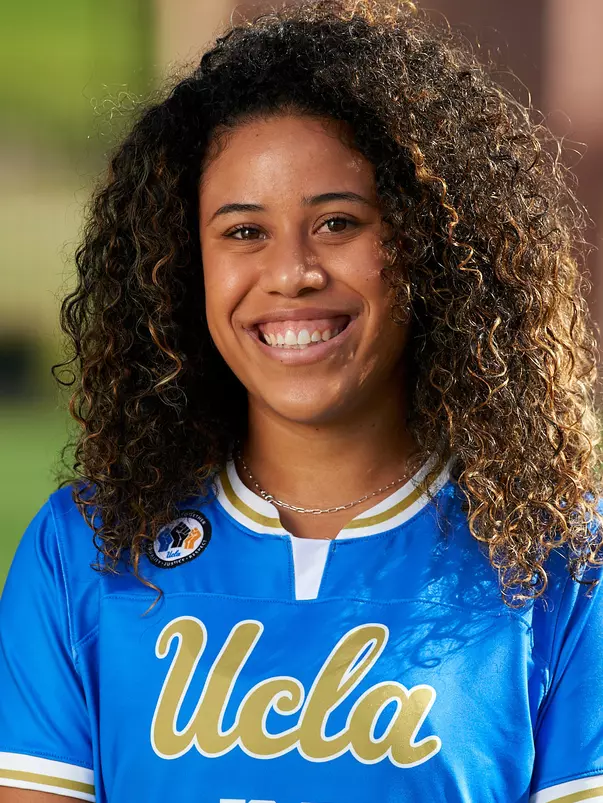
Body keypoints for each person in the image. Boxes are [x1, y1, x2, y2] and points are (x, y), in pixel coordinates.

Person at [1, 1, 602, 801]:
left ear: (426, 245)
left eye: (337, 222)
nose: (291, 272)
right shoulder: (85, 550)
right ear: (185, 264)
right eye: (243, 232)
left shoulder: (560, 561)